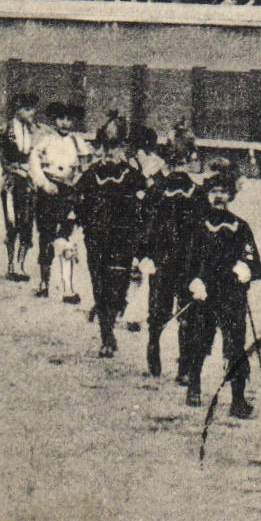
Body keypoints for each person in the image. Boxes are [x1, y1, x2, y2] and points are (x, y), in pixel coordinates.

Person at [179, 159, 261, 417]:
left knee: (236, 345)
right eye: (214, 191)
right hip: (204, 292)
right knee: (199, 340)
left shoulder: (240, 226)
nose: (218, 197)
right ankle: (194, 385)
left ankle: (237, 400)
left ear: (230, 196)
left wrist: (244, 268)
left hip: (231, 294)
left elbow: (250, 256)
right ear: (208, 194)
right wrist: (193, 281)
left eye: (223, 192)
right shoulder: (196, 226)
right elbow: (187, 259)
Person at [134, 127, 201, 380]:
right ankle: (154, 343)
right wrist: (143, 255)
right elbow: (144, 226)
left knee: (188, 313)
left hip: (189, 260)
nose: (178, 170)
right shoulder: (157, 192)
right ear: (166, 164)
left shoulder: (198, 195)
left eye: (182, 163)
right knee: (159, 309)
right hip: (162, 259)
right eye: (173, 164)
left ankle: (184, 367)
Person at [78, 123, 145, 357]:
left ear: (123, 148)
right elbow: (76, 203)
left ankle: (110, 321)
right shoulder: (91, 174)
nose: (109, 152)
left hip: (123, 240)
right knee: (100, 285)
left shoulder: (133, 176)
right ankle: (106, 335)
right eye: (105, 147)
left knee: (117, 287)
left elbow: (147, 207)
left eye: (114, 147)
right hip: (96, 239)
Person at [27, 101, 84, 301]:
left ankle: (68, 288)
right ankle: (43, 283)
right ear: (54, 120)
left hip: (68, 193)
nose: (65, 123)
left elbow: (85, 167)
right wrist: (43, 183)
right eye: (61, 118)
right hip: (49, 192)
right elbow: (33, 161)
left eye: (69, 119)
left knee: (66, 237)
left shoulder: (78, 142)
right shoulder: (46, 140)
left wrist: (76, 184)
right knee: (46, 236)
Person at [0, 93, 40, 281]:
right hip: (12, 181)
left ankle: (20, 266)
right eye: (27, 109)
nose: (32, 112)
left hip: (28, 180)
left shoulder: (34, 130)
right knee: (12, 223)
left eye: (32, 109)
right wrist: (10, 168)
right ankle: (11, 265)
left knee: (27, 222)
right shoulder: (8, 129)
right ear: (18, 109)